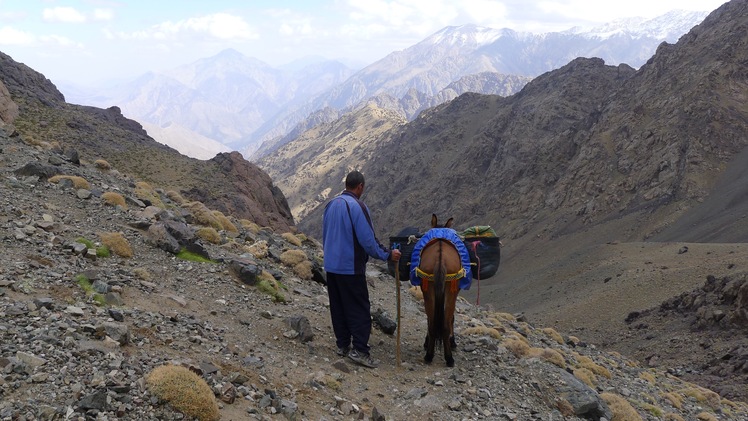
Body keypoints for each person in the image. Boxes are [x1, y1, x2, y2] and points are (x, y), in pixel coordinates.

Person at [322, 170, 401, 368]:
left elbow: (326, 235)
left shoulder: (331, 205)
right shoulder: (357, 206)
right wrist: (387, 255)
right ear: (360, 187)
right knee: (359, 309)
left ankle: (343, 345)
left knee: (338, 306)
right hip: (350, 267)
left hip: (331, 267)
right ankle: (360, 350)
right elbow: (368, 241)